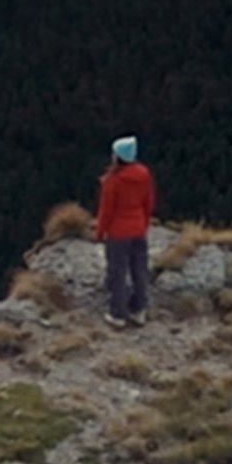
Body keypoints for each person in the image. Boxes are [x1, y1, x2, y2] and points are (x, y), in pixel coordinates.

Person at [94, 135, 155, 328]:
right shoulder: (144, 174)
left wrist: (100, 231)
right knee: (140, 269)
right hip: (138, 228)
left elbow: (106, 210)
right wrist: (144, 223)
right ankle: (139, 310)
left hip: (118, 233)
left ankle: (118, 314)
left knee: (118, 272)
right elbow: (148, 202)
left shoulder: (113, 181)